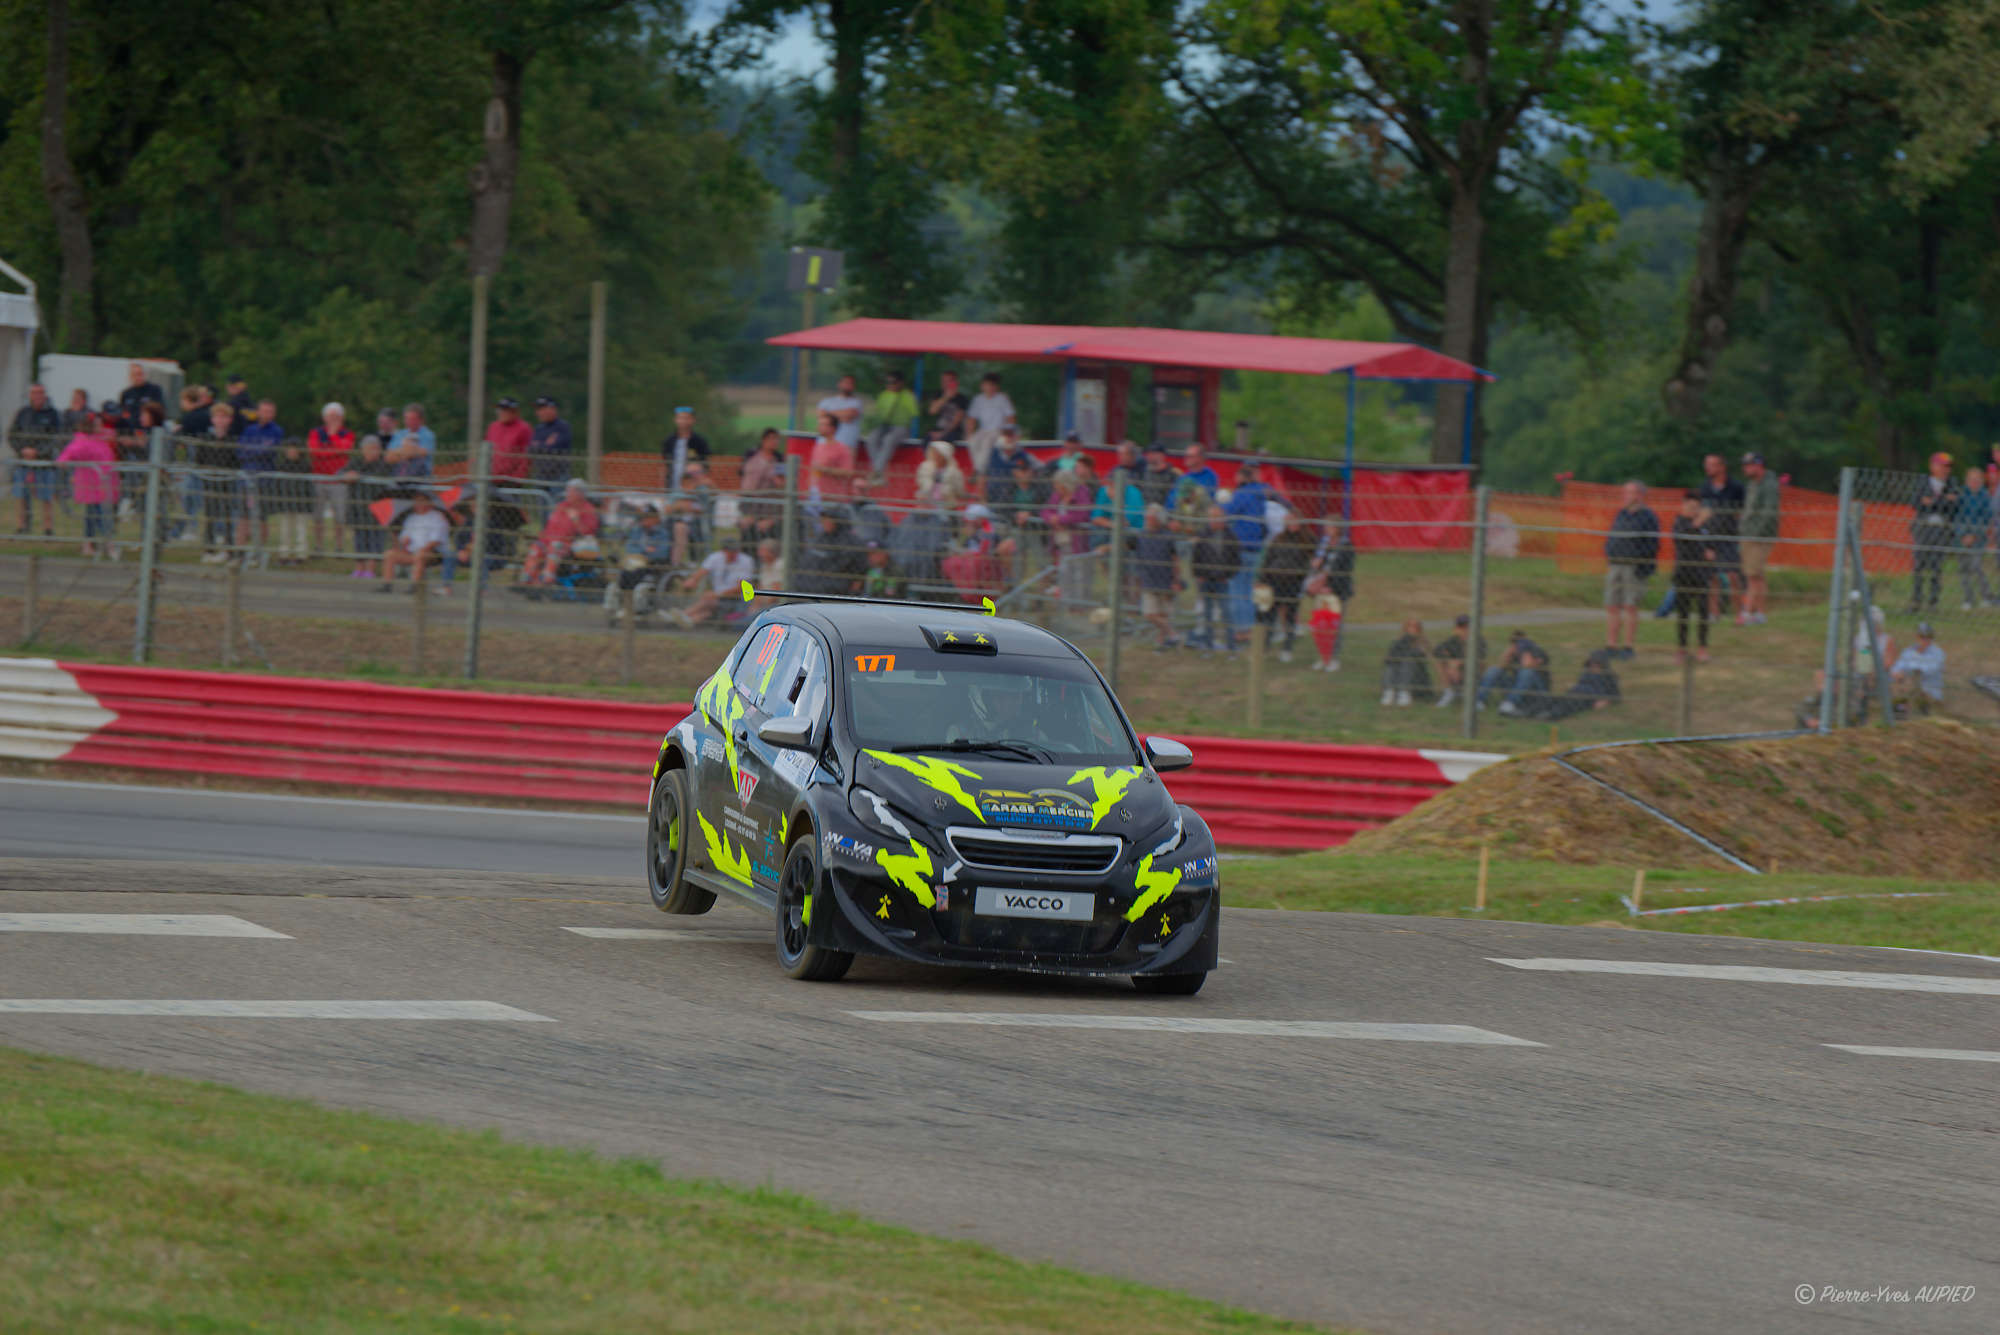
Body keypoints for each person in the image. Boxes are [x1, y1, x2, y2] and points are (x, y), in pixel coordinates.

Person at [1603, 480, 1658, 660]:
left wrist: (1638, 560)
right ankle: (1611, 645)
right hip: (1616, 564)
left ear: (1640, 495)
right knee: (1612, 605)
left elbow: (1652, 545)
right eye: (1625, 492)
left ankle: (1628, 647)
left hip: (1634, 567)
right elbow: (1612, 535)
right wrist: (1610, 551)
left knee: (1630, 606)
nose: (1625, 496)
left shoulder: (1648, 516)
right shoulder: (1621, 514)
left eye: (1630, 492)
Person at [1224, 461, 1273, 646]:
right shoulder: (1261, 492)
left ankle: (1241, 631)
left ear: (1242, 478)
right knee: (1249, 590)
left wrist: (1225, 500)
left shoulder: (1242, 493)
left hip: (1240, 548)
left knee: (1237, 591)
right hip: (1256, 548)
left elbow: (1226, 512)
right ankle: (1251, 628)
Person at [1258, 509, 1317, 662]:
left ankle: (1287, 649)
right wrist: (1263, 578)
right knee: (1269, 615)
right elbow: (1268, 559)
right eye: (1289, 520)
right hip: (1274, 580)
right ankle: (1264, 647)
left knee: (1290, 616)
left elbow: (1314, 562)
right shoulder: (1278, 538)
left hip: (1293, 582)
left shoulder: (1308, 539)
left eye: (1294, 520)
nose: (1291, 523)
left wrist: (1303, 573)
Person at [518, 479, 601, 586]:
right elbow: (549, 528)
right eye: (567, 491)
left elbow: (587, 533)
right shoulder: (562, 506)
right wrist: (541, 541)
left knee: (555, 547)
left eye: (570, 491)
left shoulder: (588, 509)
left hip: (569, 545)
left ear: (580, 493)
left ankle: (546, 581)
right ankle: (527, 581)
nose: (567, 494)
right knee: (536, 548)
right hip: (549, 541)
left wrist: (576, 520)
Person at [58, 414, 119, 557]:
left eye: (100, 424)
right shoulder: (83, 440)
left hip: (104, 484)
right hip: (91, 486)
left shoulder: (103, 439)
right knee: (96, 516)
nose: (100, 427)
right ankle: (105, 545)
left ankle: (95, 544)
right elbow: (71, 452)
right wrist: (64, 460)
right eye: (97, 425)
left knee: (98, 516)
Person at [1695, 452, 1744, 620]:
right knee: (1712, 577)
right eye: (1706, 464)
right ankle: (1713, 613)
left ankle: (1739, 613)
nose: (1708, 468)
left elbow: (1741, 511)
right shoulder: (1705, 488)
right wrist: (1705, 541)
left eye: (1712, 464)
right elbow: (1701, 514)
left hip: (1729, 538)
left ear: (1722, 467)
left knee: (1732, 576)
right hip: (1710, 537)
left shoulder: (1736, 487)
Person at [1908, 451, 1959, 613]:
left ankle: (1933, 603)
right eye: (1942, 466)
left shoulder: (1952, 484)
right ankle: (1916, 601)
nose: (1946, 470)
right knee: (1919, 567)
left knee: (1936, 567)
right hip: (1924, 528)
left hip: (1942, 529)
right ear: (1933, 467)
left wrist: (1932, 502)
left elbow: (1953, 508)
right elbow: (1917, 503)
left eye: (1948, 467)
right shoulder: (1923, 482)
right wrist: (1943, 501)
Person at [1670, 490, 1716, 664]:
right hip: (1683, 573)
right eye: (1690, 506)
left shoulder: (1705, 526)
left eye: (1696, 507)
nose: (1693, 510)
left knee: (1703, 611)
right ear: (1683, 506)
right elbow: (1683, 539)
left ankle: (1702, 648)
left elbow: (1711, 543)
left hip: (1701, 574)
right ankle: (1681, 649)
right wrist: (1699, 521)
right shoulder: (1679, 522)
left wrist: (1711, 551)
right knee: (1683, 613)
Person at [340, 435, 394, 580]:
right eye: (369, 449)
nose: (372, 452)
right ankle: (359, 568)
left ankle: (371, 569)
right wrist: (347, 475)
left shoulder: (383, 464)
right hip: (358, 507)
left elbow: (378, 477)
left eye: (375, 449)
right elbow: (340, 473)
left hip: (377, 508)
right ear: (362, 450)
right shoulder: (356, 463)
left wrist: (360, 475)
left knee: (375, 539)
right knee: (360, 538)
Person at [1041, 467, 1095, 610]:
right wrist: (1052, 519)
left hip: (1077, 540)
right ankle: (1066, 603)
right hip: (1060, 541)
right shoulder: (1057, 495)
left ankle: (1080, 604)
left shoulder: (1081, 493)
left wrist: (1060, 519)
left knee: (1079, 573)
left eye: (1057, 484)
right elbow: (1045, 511)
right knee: (1064, 572)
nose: (1055, 487)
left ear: (1065, 484)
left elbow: (1082, 515)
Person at [193, 402, 241, 562]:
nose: (220, 420)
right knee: (210, 515)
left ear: (229, 420)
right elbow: (199, 459)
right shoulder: (205, 438)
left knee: (228, 516)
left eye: (224, 417)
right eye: (217, 417)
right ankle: (209, 548)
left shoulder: (232, 440)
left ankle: (229, 549)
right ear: (212, 419)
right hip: (209, 482)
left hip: (227, 483)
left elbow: (235, 462)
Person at [236, 399, 284, 555]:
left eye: (269, 411)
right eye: (263, 411)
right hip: (247, 477)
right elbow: (240, 452)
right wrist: (257, 450)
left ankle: (258, 552)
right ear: (257, 412)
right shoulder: (249, 430)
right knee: (243, 516)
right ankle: (239, 551)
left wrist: (253, 450)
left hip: (264, 480)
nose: (266, 414)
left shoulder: (276, 431)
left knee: (262, 517)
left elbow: (269, 451)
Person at [606, 505, 675, 613]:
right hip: (635, 562)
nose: (644, 521)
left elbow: (662, 552)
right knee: (624, 573)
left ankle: (631, 607)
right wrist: (645, 550)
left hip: (652, 565)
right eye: (642, 518)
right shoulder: (637, 531)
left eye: (647, 518)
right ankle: (618, 604)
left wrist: (645, 553)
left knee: (634, 573)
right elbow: (630, 548)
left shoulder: (663, 534)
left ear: (656, 518)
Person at [11, 383, 60, 534]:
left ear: (44, 395)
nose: (37, 396)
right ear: (30, 395)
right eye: (34, 393)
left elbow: (56, 437)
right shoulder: (23, 413)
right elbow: (12, 434)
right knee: (21, 495)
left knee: (46, 497)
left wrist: (38, 452)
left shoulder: (52, 414)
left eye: (40, 393)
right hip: (24, 461)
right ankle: (22, 526)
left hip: (44, 462)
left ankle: (47, 528)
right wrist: (22, 450)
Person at [1189, 505, 1240, 651]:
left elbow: (1236, 560)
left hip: (1222, 581)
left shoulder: (1230, 536)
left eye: (1217, 517)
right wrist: (1198, 575)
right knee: (1207, 615)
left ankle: (1231, 646)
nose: (1214, 521)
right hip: (1205, 580)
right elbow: (1195, 558)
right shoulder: (1203, 534)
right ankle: (1208, 645)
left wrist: (1228, 575)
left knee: (1227, 613)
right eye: (1211, 517)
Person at [306, 403, 354, 555]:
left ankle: (339, 547)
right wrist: (334, 449)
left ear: (341, 418)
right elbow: (314, 452)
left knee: (339, 516)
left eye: (336, 416)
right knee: (318, 516)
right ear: (324, 417)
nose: (333, 419)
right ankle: (319, 546)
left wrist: (332, 435)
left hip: (338, 480)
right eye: (330, 416)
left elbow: (345, 449)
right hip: (319, 478)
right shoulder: (315, 432)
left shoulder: (347, 434)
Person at [1738, 452, 1780, 625]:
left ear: (1759, 465)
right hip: (1748, 534)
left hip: (1759, 537)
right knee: (1755, 576)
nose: (1745, 468)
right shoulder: (1752, 484)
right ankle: (1761, 614)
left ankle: (1747, 613)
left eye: (1749, 465)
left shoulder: (1769, 484)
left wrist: (1755, 532)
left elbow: (1769, 513)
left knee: (1753, 575)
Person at [379, 489, 450, 592]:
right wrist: (403, 543)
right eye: (416, 501)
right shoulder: (411, 518)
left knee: (420, 554)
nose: (418, 504)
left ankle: (415, 586)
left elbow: (436, 540)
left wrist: (422, 550)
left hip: (433, 553)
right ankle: (387, 585)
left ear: (429, 502)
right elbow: (404, 538)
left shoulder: (437, 517)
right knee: (389, 554)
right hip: (412, 552)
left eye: (421, 501)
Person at [1133, 503, 1181, 649]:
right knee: (1149, 613)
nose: (1148, 519)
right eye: (1148, 516)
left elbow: (1175, 560)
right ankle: (1173, 634)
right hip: (1148, 578)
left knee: (1163, 613)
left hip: (1165, 579)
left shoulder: (1167, 537)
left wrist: (1176, 580)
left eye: (1152, 517)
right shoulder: (1141, 535)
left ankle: (1162, 643)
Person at [1476, 630, 1551, 716]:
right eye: (1513, 642)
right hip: (1517, 687)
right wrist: (1507, 655)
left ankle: (1510, 703)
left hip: (1536, 690)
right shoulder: (1513, 653)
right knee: (1494, 670)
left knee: (1527, 672)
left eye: (1518, 642)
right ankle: (1479, 700)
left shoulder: (1537, 650)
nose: (1516, 645)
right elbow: (1500, 666)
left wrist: (1525, 651)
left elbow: (1527, 665)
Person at [266, 435, 316, 564]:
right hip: (286, 500)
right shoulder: (282, 465)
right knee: (285, 528)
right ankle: (284, 553)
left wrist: (308, 501)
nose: (292, 452)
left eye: (295, 449)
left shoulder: (305, 466)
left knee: (301, 528)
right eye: (289, 449)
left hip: (300, 501)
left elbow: (308, 486)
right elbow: (278, 485)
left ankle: (301, 554)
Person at [860, 370, 917, 480]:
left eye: (893, 382)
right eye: (888, 382)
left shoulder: (908, 396)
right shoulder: (884, 395)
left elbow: (914, 414)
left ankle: (876, 472)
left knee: (889, 440)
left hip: (901, 427)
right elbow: (878, 413)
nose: (890, 385)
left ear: (901, 383)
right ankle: (878, 472)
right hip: (884, 426)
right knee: (871, 439)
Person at [1542, 648, 1622, 720]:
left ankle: (1552, 715)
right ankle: (1543, 709)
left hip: (1588, 698)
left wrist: (1606, 702)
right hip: (1576, 691)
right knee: (1560, 699)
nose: (1594, 666)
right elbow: (1580, 682)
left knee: (1570, 706)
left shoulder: (1608, 676)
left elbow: (1616, 695)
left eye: (1597, 664)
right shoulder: (1587, 672)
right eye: (1592, 663)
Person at [1956, 466, 1994, 610]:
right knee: (1963, 569)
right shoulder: (1962, 496)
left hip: (1978, 538)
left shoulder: (1984, 497)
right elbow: (1957, 516)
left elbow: (1986, 519)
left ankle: (1985, 596)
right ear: (1966, 481)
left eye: (1977, 480)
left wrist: (1974, 535)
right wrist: (1962, 534)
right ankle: (1968, 599)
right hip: (1962, 539)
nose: (1974, 483)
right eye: (1971, 480)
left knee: (1976, 567)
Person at [739, 427, 786, 542]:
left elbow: (782, 484)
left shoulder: (779, 460)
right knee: (747, 528)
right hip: (751, 502)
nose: (774, 442)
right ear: (763, 440)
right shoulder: (752, 456)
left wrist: (774, 476)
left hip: (770, 506)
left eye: (776, 439)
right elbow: (745, 481)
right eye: (771, 439)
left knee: (767, 531)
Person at [964, 373, 1015, 475]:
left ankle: (979, 472)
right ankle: (979, 468)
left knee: (986, 443)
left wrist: (1008, 434)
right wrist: (969, 433)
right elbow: (972, 418)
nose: (990, 388)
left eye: (992, 385)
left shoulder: (1002, 399)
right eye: (987, 385)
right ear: (982, 385)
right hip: (983, 430)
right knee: (972, 441)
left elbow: (1011, 417)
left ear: (996, 387)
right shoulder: (978, 399)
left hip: (998, 430)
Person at [1889, 621, 1945, 713]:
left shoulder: (1938, 653)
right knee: (1899, 681)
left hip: (1928, 689)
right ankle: (1901, 709)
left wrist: (1908, 671)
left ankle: (1909, 708)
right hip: (1909, 687)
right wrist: (1897, 673)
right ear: (1917, 637)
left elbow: (1929, 670)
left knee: (1912, 679)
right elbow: (1897, 666)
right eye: (1922, 637)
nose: (1925, 640)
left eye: (1929, 637)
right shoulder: (1908, 651)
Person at [1431, 614, 1484, 707]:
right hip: (1454, 672)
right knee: (1440, 662)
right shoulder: (1453, 640)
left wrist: (1459, 662)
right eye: (1461, 627)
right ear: (1457, 628)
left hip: (1472, 670)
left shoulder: (1479, 641)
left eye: (1467, 627)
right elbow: (1436, 650)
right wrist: (1449, 661)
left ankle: (1473, 696)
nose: (1464, 629)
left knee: (1478, 664)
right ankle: (1449, 692)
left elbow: (1480, 658)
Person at [806, 409, 857, 505]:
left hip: (833, 498)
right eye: (819, 424)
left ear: (833, 428)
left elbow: (848, 472)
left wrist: (825, 470)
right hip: (816, 496)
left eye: (823, 425)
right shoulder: (818, 447)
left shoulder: (843, 449)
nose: (819, 427)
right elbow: (813, 471)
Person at [1378, 619, 1432, 707]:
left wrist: (1410, 643)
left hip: (1416, 676)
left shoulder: (1422, 642)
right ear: (1406, 628)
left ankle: (1404, 692)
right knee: (1392, 663)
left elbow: (1419, 656)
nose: (1412, 629)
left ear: (1419, 629)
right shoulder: (1398, 641)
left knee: (1407, 660)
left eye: (1415, 627)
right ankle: (1389, 691)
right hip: (1398, 672)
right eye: (1410, 626)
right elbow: (1389, 657)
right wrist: (1404, 641)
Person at [659, 405, 710, 491]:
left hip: (693, 487)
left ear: (693, 420)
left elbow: (705, 465)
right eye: (680, 418)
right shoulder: (669, 441)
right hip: (672, 485)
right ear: (675, 420)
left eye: (686, 418)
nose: (683, 421)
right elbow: (665, 465)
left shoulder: (699, 441)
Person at [529, 396, 572, 494]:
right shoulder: (539, 428)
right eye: (538, 410)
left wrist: (540, 445)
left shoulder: (562, 426)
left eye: (542, 409)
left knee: (556, 506)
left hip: (558, 475)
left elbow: (553, 447)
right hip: (541, 474)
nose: (538, 413)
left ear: (552, 409)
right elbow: (531, 448)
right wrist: (545, 444)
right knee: (541, 506)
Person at [485, 397, 532, 481]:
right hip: (492, 476)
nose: (501, 413)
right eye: (499, 410)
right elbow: (487, 451)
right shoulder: (493, 426)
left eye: (505, 410)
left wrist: (518, 477)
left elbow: (526, 456)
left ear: (515, 412)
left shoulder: (523, 428)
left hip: (511, 478)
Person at [914, 438, 966, 511]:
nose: (936, 456)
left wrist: (948, 492)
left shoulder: (955, 472)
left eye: (938, 453)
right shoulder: (925, 468)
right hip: (927, 505)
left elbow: (959, 491)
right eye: (934, 453)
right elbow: (921, 484)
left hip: (946, 506)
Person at [388, 403, 435, 478]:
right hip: (399, 477)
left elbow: (423, 452)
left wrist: (399, 452)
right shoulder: (399, 434)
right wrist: (410, 451)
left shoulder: (427, 434)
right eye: (407, 418)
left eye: (413, 419)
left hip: (421, 478)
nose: (409, 421)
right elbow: (389, 457)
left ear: (421, 420)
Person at [1170, 442, 1219, 512]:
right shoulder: (1183, 477)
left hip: (1199, 516)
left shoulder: (1210, 476)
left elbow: (1207, 499)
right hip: (1180, 514)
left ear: (1200, 458)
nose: (1186, 458)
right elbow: (1172, 499)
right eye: (1186, 456)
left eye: (1190, 456)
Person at [926, 369, 969, 444]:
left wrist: (942, 433)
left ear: (955, 382)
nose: (944, 383)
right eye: (943, 381)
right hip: (937, 429)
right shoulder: (938, 395)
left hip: (954, 432)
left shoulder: (962, 399)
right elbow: (932, 411)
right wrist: (945, 397)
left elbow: (956, 421)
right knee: (927, 440)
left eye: (947, 381)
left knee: (943, 443)